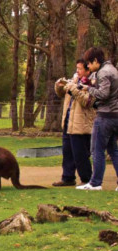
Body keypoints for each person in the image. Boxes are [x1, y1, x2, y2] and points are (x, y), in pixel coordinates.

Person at [75, 47, 118, 191]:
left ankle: (95, 183)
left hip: (106, 116)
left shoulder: (103, 72)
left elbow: (104, 94)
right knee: (113, 150)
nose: (89, 66)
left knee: (97, 150)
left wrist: (87, 89)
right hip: (114, 115)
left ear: (95, 61)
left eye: (89, 63)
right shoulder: (113, 69)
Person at [53, 59, 95, 187]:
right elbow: (61, 94)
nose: (77, 71)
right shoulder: (75, 81)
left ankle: (87, 178)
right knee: (68, 151)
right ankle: (68, 177)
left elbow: (87, 101)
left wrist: (74, 89)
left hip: (81, 124)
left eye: (80, 68)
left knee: (80, 153)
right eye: (77, 68)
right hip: (68, 121)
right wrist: (59, 85)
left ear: (88, 70)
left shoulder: (91, 84)